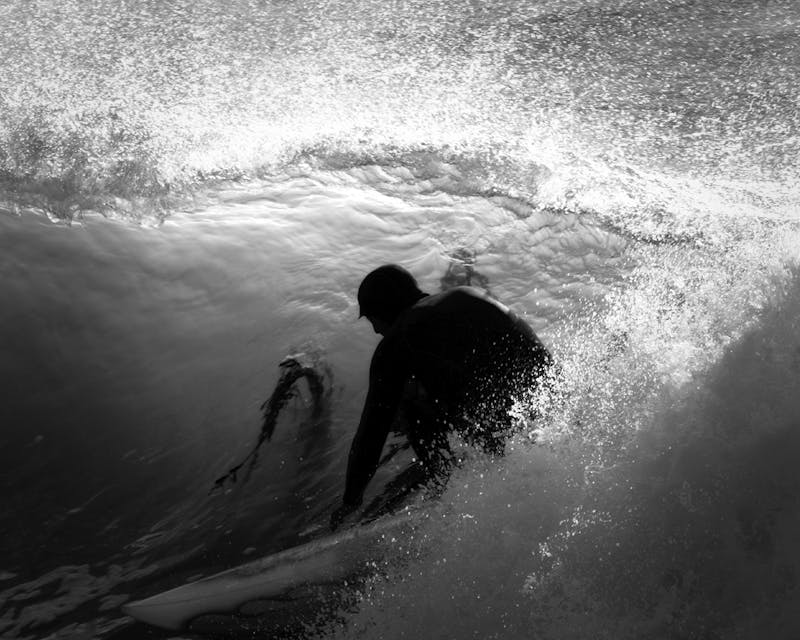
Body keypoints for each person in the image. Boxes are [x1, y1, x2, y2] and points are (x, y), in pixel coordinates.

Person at [330, 264, 553, 529]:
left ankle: (444, 497)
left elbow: (371, 433)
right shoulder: (466, 293)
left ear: (382, 310)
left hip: (507, 414)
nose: (376, 331)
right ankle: (494, 466)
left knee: (414, 410)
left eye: (372, 320)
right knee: (444, 386)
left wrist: (350, 502)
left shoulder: (397, 339)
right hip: (549, 397)